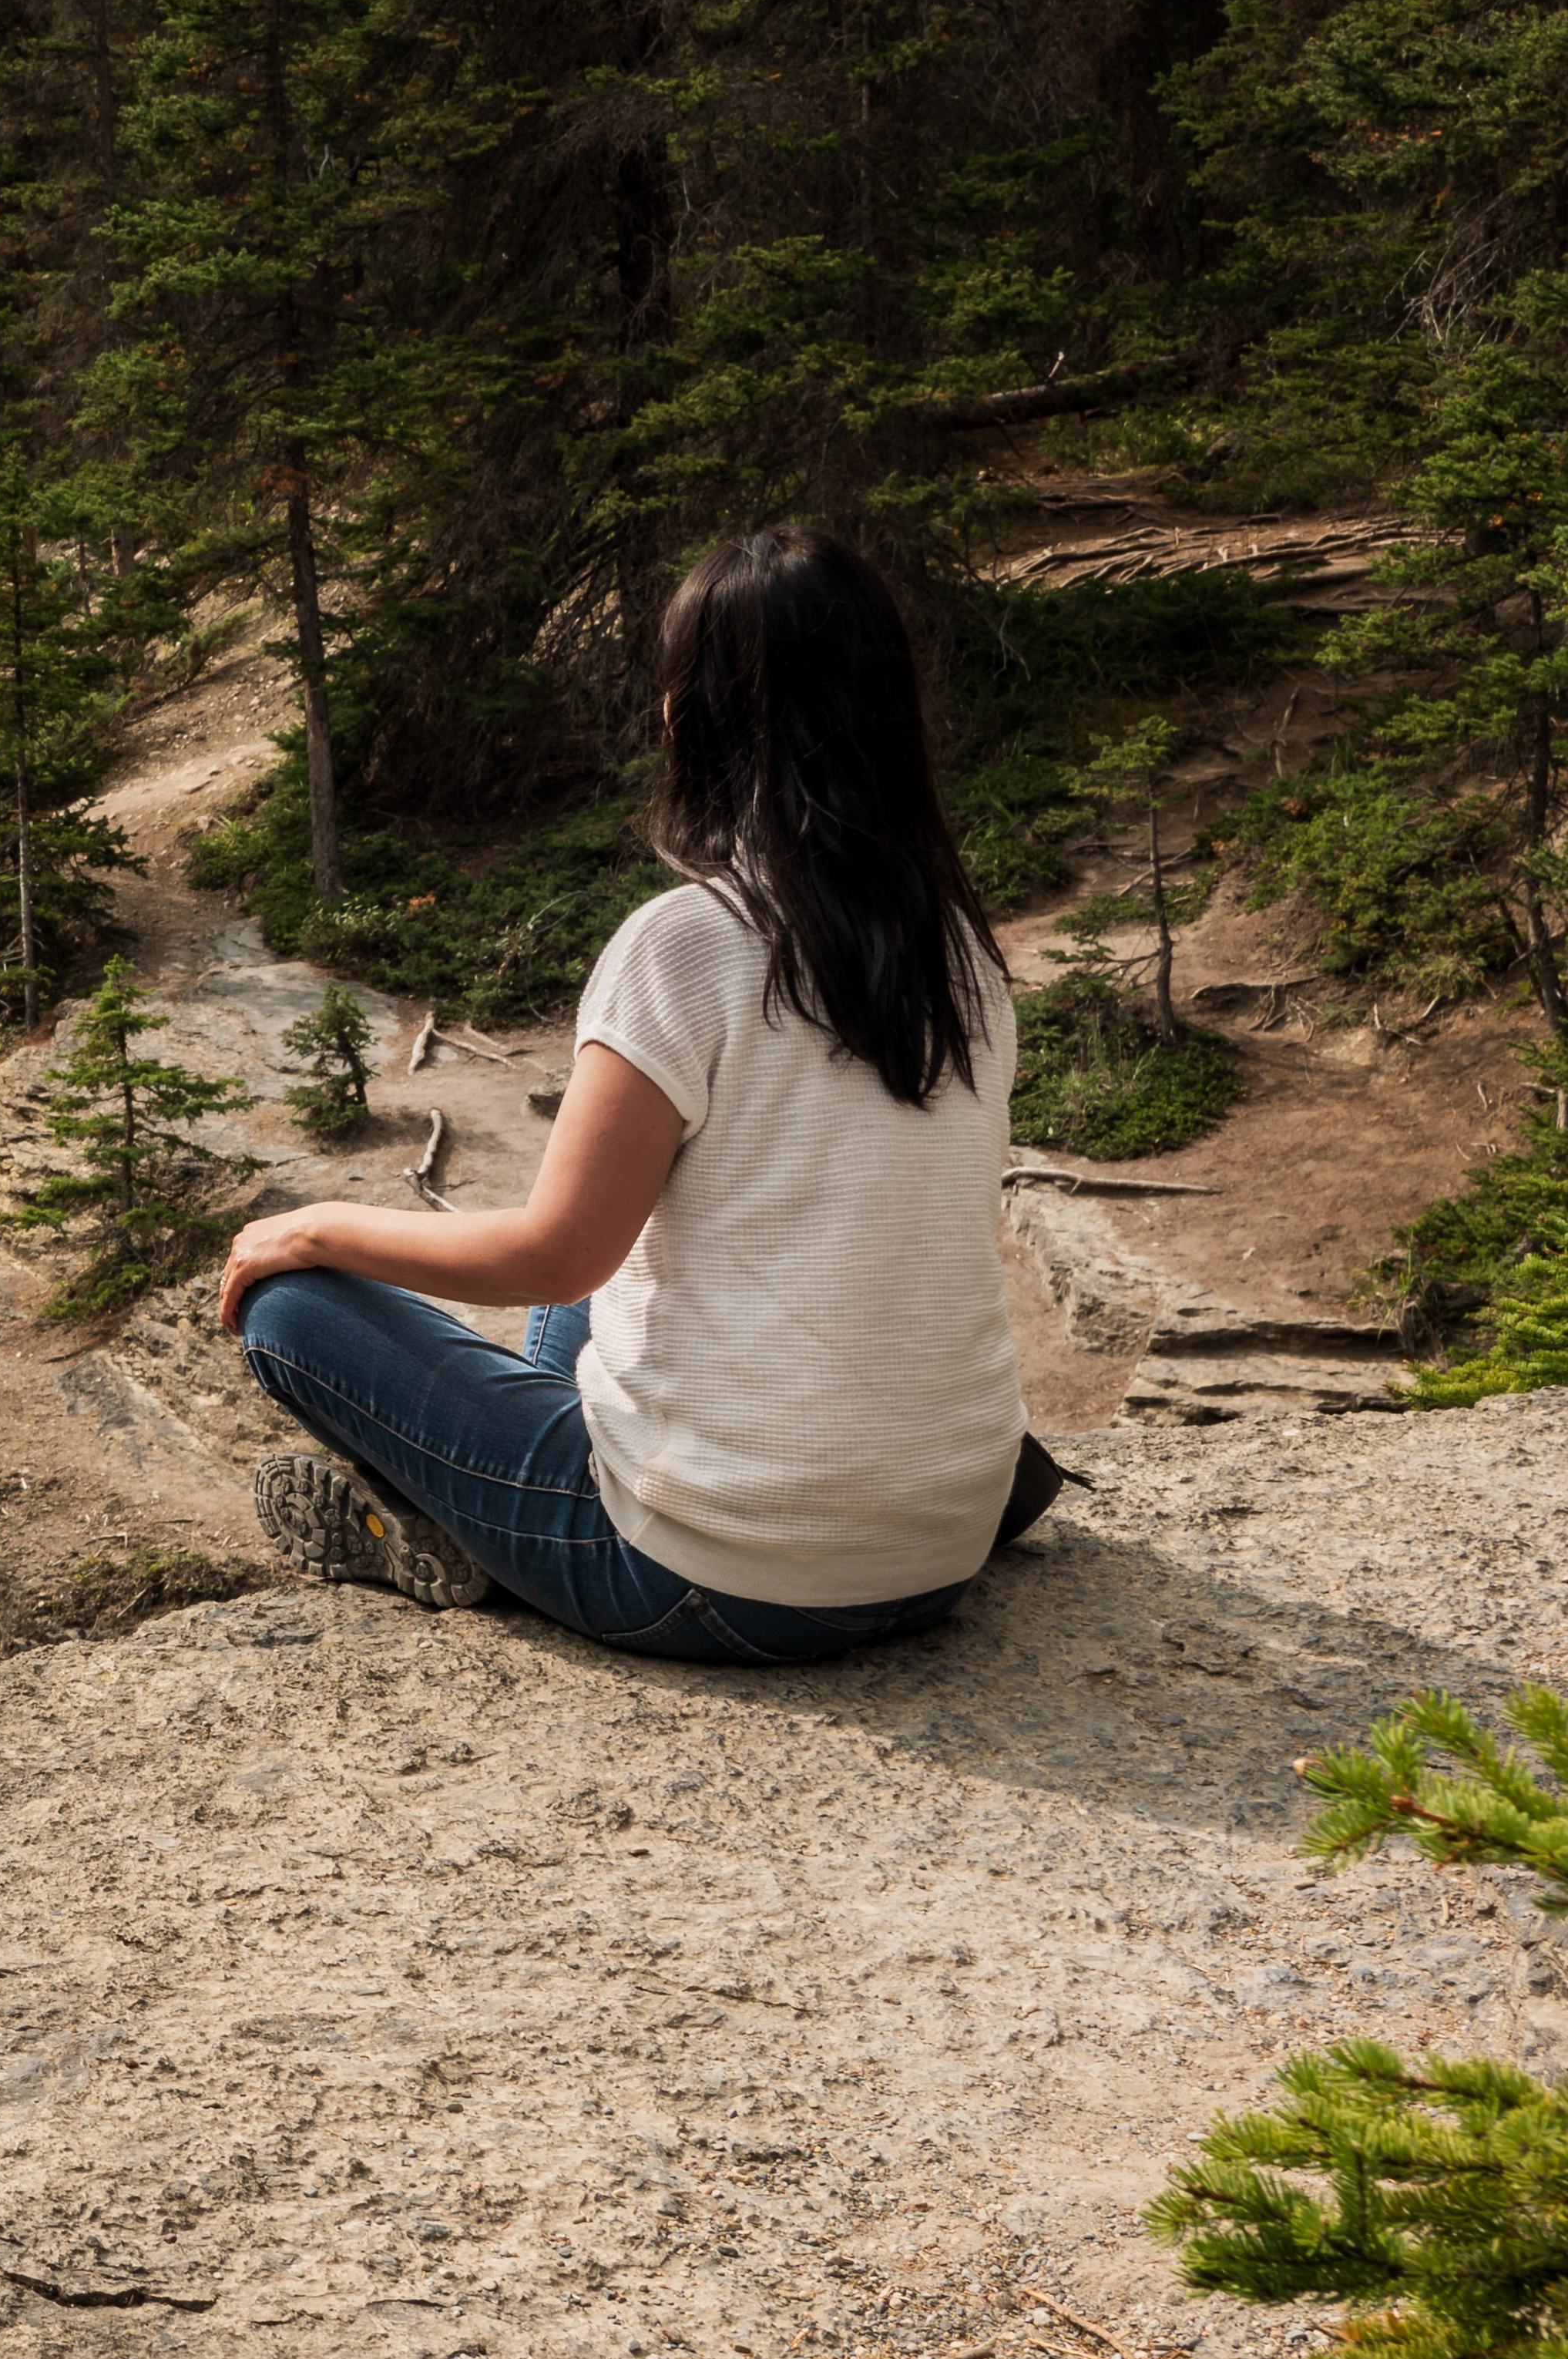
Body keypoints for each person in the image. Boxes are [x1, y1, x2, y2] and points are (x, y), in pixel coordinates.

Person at [217, 525, 1041, 1663]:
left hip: (714, 1579)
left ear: (690, 714)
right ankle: (485, 1512)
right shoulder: (961, 954)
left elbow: (555, 1255)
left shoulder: (689, 943)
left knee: (292, 1312)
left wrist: (306, 1227)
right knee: (609, 1287)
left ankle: (475, 1524)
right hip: (942, 1547)